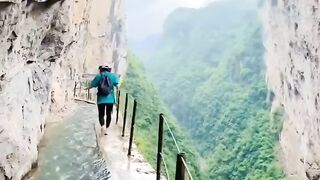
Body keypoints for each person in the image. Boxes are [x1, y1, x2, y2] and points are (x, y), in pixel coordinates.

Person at [88, 65, 119, 135]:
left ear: (101, 69)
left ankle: (102, 126)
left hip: (101, 99)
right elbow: (117, 85)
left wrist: (88, 88)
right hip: (110, 99)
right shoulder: (113, 76)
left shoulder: (99, 76)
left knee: (101, 114)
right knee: (109, 114)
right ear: (109, 70)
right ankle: (107, 129)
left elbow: (93, 84)